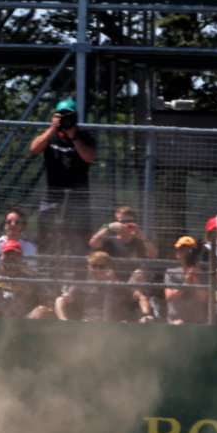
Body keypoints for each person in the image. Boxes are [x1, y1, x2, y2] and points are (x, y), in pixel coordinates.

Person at [29, 98, 96, 265]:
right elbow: (34, 149)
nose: (65, 120)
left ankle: (76, 284)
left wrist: (74, 138)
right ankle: (48, 276)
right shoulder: (50, 136)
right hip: (52, 195)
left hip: (77, 197)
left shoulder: (83, 136)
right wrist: (52, 128)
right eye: (61, 116)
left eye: (69, 116)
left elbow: (89, 157)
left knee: (77, 240)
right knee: (48, 235)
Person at [55, 251, 151, 322]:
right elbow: (60, 300)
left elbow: (141, 297)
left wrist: (145, 314)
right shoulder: (81, 286)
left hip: (114, 326)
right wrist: (62, 319)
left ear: (109, 267)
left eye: (101, 267)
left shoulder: (118, 286)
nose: (97, 270)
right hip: (88, 324)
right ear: (88, 267)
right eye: (94, 266)